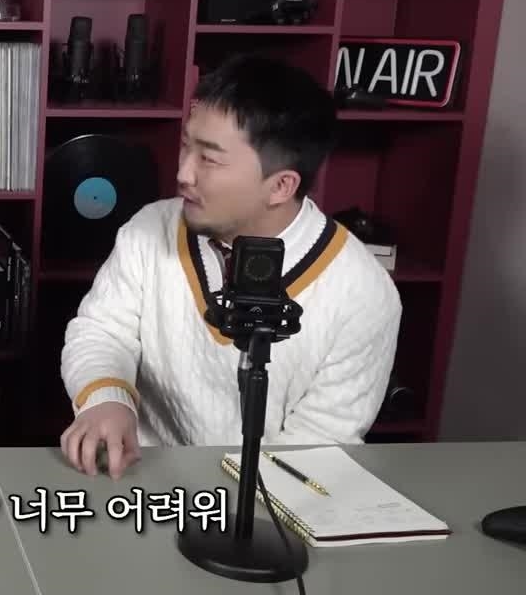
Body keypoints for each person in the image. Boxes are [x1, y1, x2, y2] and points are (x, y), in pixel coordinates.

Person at [59, 53, 401, 477]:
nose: (184, 173)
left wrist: (219, 500)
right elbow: (102, 331)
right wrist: (106, 401)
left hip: (268, 498)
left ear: (281, 186)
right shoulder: (150, 228)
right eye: (187, 145)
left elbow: (321, 440)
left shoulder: (363, 291)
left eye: (210, 159)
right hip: (139, 478)